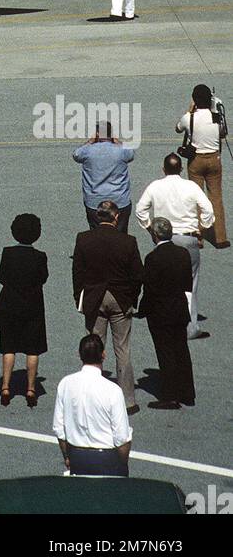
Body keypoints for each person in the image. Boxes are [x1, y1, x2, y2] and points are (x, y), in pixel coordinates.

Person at [72, 200, 143, 412]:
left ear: (97, 216)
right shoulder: (128, 241)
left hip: (95, 298)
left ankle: (91, 399)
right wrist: (132, 297)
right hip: (120, 299)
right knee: (123, 349)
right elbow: (138, 275)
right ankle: (127, 400)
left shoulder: (84, 239)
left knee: (93, 347)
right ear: (116, 217)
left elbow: (77, 272)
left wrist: (80, 298)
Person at [135, 154, 214, 340]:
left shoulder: (155, 186)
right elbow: (208, 210)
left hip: (165, 240)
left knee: (163, 283)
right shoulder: (191, 186)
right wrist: (201, 229)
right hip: (188, 239)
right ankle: (190, 327)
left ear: (164, 169)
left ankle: (166, 323)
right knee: (190, 284)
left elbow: (140, 210)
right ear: (181, 169)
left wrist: (150, 228)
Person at [52, 334, 133, 477]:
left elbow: (59, 430)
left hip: (77, 456)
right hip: (107, 459)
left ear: (79, 355)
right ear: (103, 355)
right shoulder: (113, 390)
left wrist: (67, 457)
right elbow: (122, 438)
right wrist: (122, 465)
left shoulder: (65, 384)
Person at [136, 217, 195, 409]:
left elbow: (150, 288)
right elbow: (187, 283)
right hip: (179, 309)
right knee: (181, 350)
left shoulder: (153, 258)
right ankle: (187, 392)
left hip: (160, 312)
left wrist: (141, 310)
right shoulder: (183, 254)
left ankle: (170, 395)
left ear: (154, 235)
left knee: (165, 353)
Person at [0, 214, 48, 408]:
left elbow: (1, 277)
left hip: (10, 305)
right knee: (32, 349)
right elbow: (43, 278)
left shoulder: (7, 253)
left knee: (9, 347)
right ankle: (31, 388)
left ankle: (6, 387)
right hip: (33, 306)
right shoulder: (40, 256)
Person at [176, 84, 229, 248]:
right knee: (216, 198)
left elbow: (178, 129)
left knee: (195, 198)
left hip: (196, 161)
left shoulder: (189, 118)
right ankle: (220, 238)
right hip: (214, 160)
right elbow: (223, 133)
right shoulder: (216, 117)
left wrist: (189, 111)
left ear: (195, 100)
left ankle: (198, 235)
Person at [72, 121, 136, 231]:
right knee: (120, 237)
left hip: (94, 202)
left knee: (96, 236)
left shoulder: (87, 151)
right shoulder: (121, 151)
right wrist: (118, 142)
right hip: (119, 201)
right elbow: (131, 154)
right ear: (111, 134)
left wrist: (89, 142)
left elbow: (76, 154)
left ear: (97, 134)